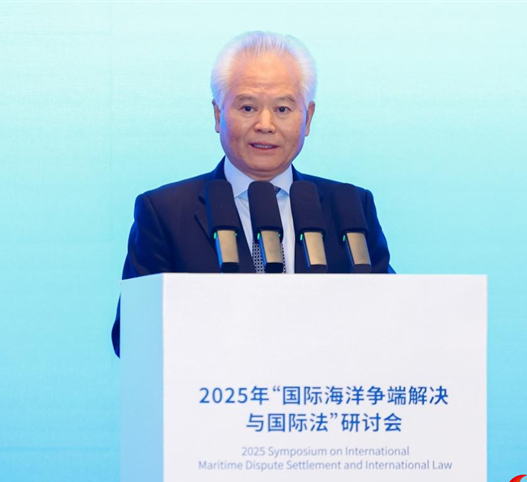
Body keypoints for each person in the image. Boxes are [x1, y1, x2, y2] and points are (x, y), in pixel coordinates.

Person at [112, 31, 394, 356]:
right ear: (218, 115)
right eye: (247, 107)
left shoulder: (350, 207)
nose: (265, 124)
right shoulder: (164, 212)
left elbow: (391, 320)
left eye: (283, 109)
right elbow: (132, 339)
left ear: (308, 119)